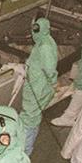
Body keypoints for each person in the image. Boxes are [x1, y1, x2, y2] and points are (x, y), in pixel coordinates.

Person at [18, 17, 58, 154]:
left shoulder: (45, 47)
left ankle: (25, 151)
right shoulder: (44, 40)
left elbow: (50, 69)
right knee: (33, 116)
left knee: (30, 117)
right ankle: (26, 145)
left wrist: (53, 84)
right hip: (37, 85)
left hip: (38, 87)